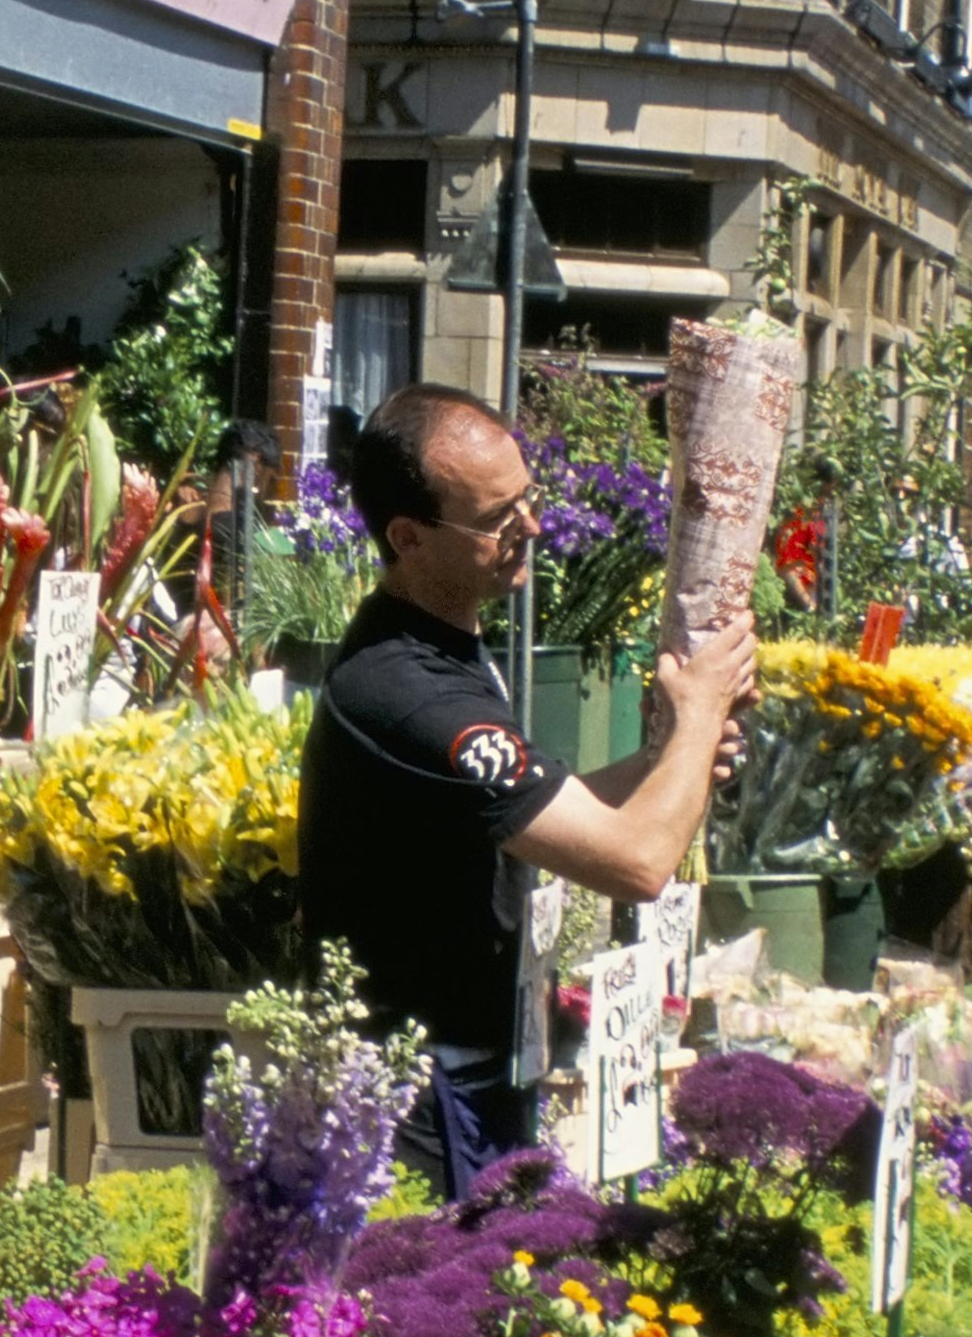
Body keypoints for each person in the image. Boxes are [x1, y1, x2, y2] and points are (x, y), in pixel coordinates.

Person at [297, 380, 753, 1198]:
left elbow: (547, 805)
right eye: (496, 518)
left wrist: (669, 763)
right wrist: (702, 707)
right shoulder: (412, 694)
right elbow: (638, 861)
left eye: (528, 498)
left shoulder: (441, 645)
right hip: (419, 1099)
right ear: (408, 536)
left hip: (475, 1070)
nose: (532, 528)